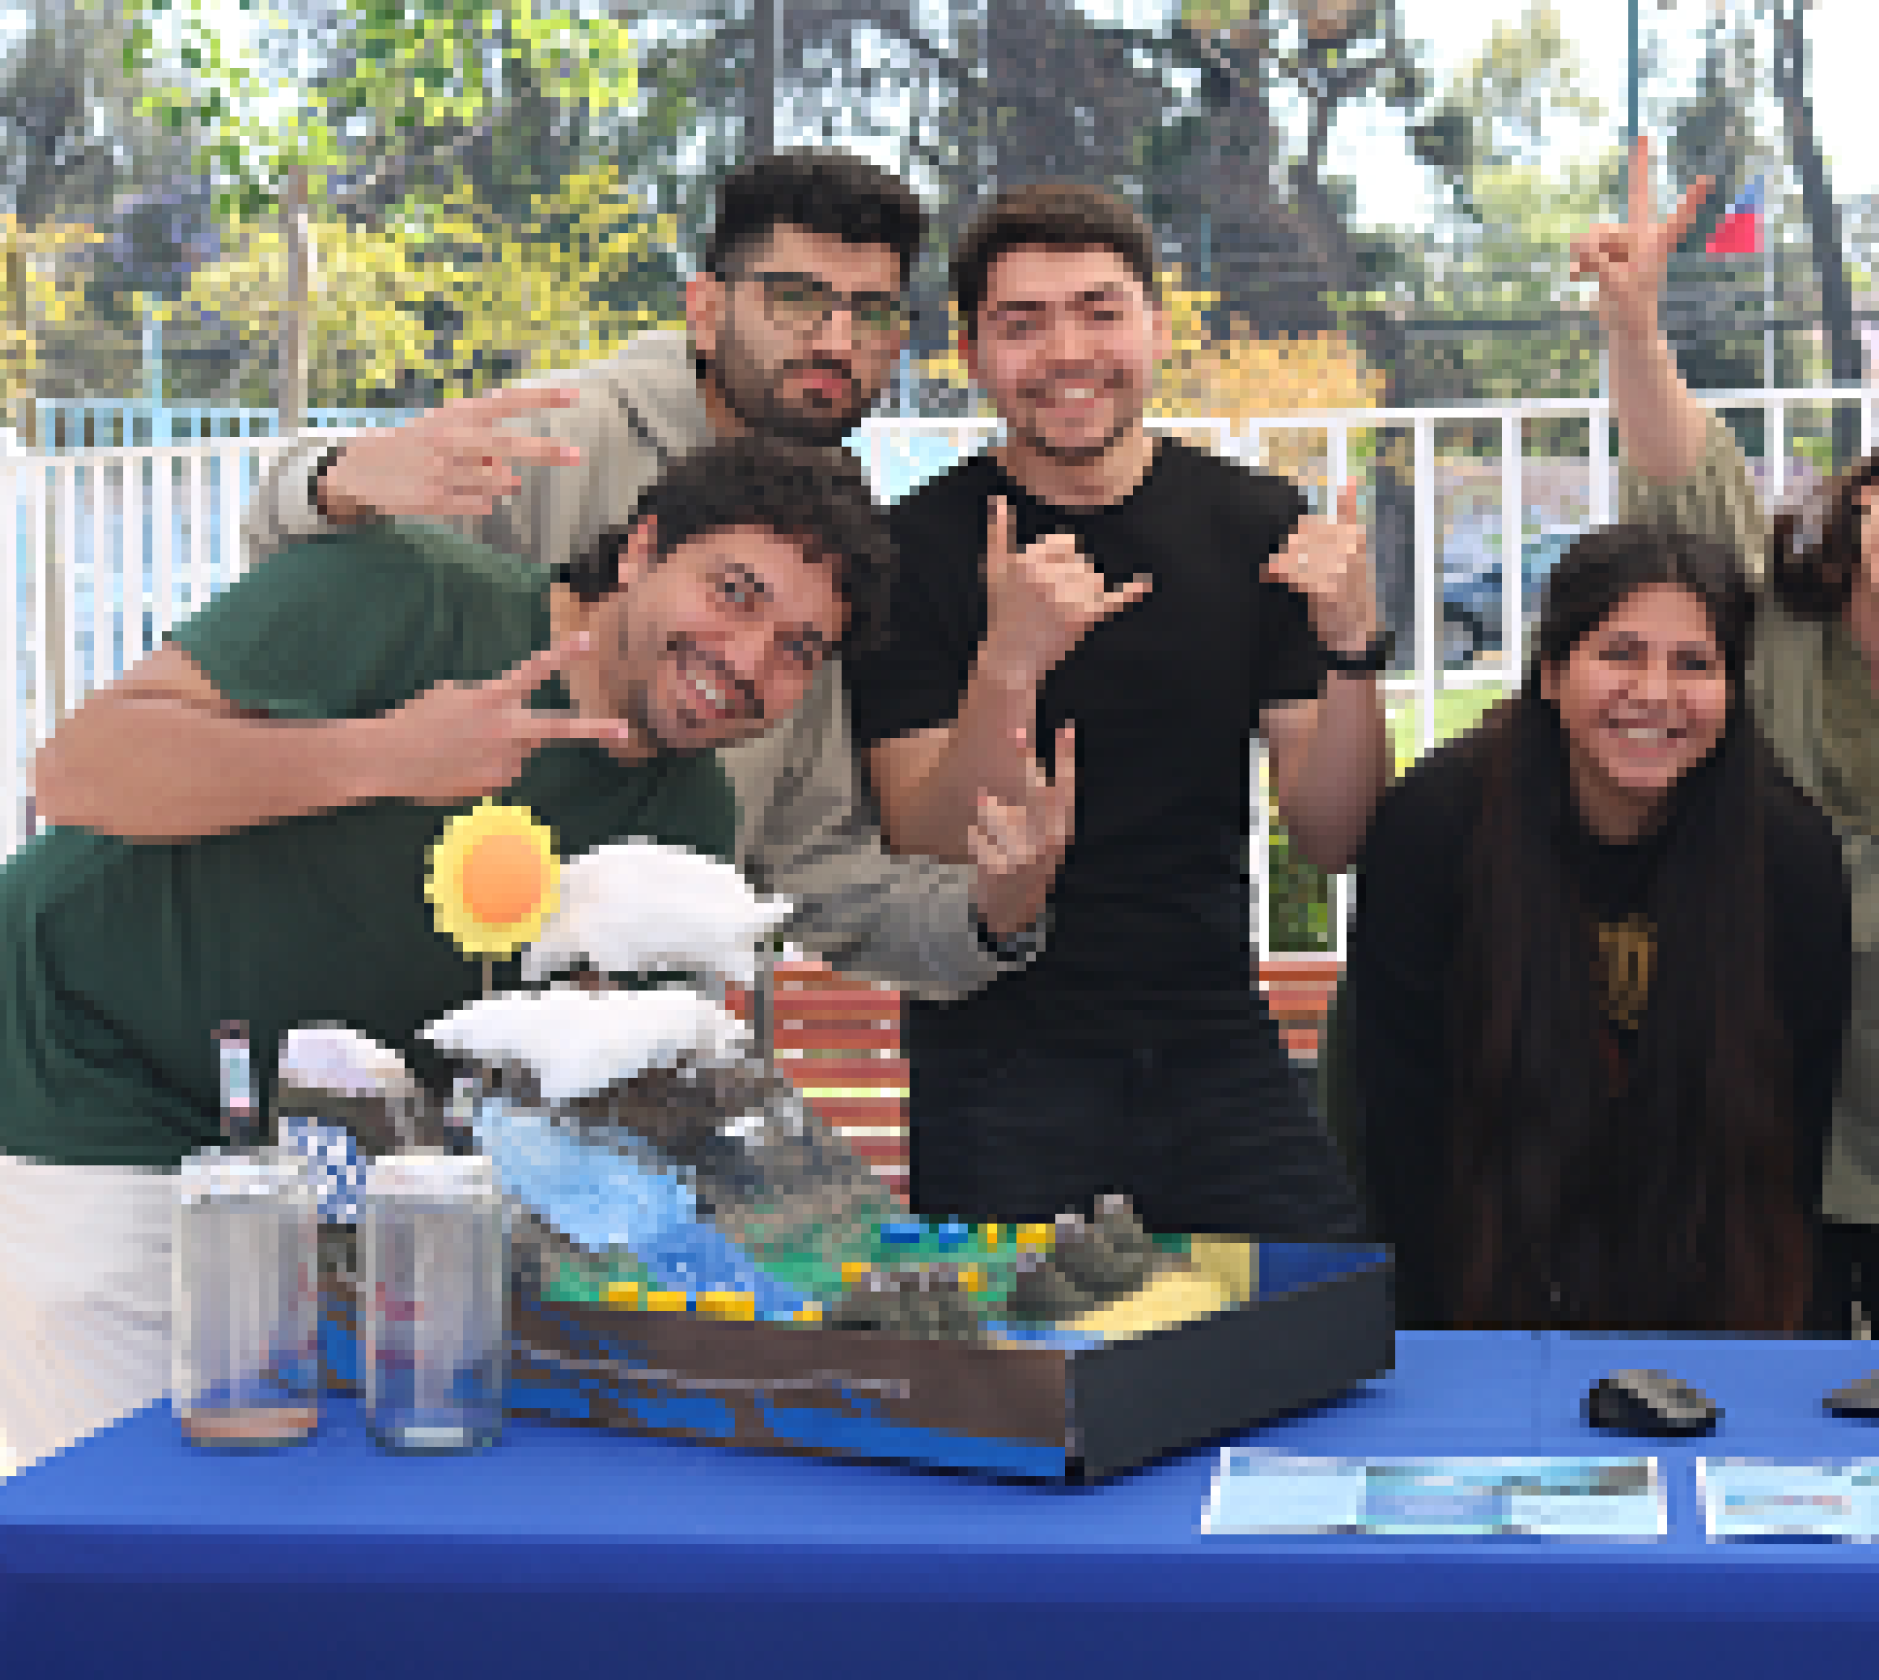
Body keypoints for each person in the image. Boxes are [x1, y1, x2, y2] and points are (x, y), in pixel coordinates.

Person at [0, 437, 1028, 1478]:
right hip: (83, 1064)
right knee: (141, 1495)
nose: (749, 660)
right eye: (732, 592)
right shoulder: (404, 592)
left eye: (801, 647)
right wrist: (386, 756)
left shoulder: (687, 816)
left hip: (320, 1165)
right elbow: (78, 772)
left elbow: (609, 1117)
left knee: (320, 1492)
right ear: (640, 551)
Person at [239, 149, 1043, 994]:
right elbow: (296, 580)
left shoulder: (832, 550)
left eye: (872, 314)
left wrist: (996, 912)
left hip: (633, 1068)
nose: (835, 342)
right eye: (797, 299)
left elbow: (815, 867)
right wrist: (329, 480)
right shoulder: (558, 436)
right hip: (393, 1007)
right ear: (705, 309)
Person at [1580, 135, 1879, 1339]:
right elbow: (1685, 475)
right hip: (1758, 1135)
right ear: (1869, 485)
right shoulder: (1757, 621)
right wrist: (1635, 334)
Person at [848, 183, 1390, 1238]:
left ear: (1156, 326)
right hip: (998, 1053)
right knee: (1024, 1383)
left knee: (1326, 1322)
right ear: (971, 355)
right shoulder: (908, 551)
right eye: (1023, 323)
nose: (1067, 353)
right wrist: (1007, 664)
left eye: (1100, 311)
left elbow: (1334, 836)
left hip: (1213, 1033)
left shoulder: (1253, 523)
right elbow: (923, 840)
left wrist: (1351, 652)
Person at [1343, 523, 1851, 1331]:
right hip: (1481, 1268)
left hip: (1712, 1275)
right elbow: (1405, 1131)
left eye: (1694, 663)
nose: (1654, 693)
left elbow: (1794, 1142)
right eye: (1620, 653)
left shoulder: (1789, 859)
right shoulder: (1436, 829)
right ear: (1551, 673)